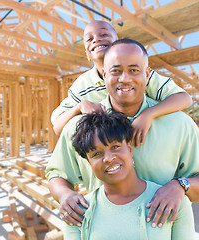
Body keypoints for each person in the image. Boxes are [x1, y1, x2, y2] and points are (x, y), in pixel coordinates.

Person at [46, 39, 199, 234]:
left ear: (147, 74)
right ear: (104, 74)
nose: (124, 79)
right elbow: (56, 173)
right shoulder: (80, 127)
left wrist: (180, 186)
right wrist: (64, 194)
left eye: (134, 70)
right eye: (116, 71)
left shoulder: (179, 124)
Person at [51, 21, 192, 148]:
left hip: (146, 143)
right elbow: (58, 127)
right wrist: (79, 107)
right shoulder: (82, 85)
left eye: (104, 34)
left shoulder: (140, 76)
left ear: (117, 44)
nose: (97, 39)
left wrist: (148, 114)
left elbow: (184, 98)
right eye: (89, 38)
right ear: (87, 53)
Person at [65, 111, 195, 239]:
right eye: (96, 154)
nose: (108, 158)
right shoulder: (78, 212)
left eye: (115, 146)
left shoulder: (172, 201)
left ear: (130, 149)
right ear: (89, 162)